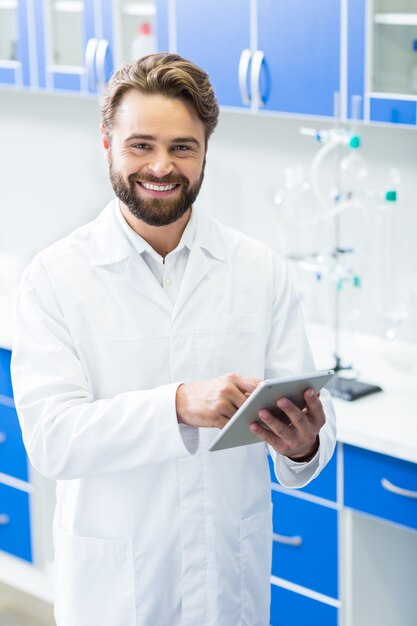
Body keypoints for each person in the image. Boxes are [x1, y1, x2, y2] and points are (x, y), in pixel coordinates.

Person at [11, 53, 336, 626]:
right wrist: (179, 404)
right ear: (107, 143)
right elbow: (52, 440)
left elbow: (311, 429)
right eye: (141, 145)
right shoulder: (55, 278)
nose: (162, 166)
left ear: (206, 150)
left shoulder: (258, 270)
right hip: (114, 593)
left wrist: (304, 443)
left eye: (182, 147)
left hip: (226, 586)